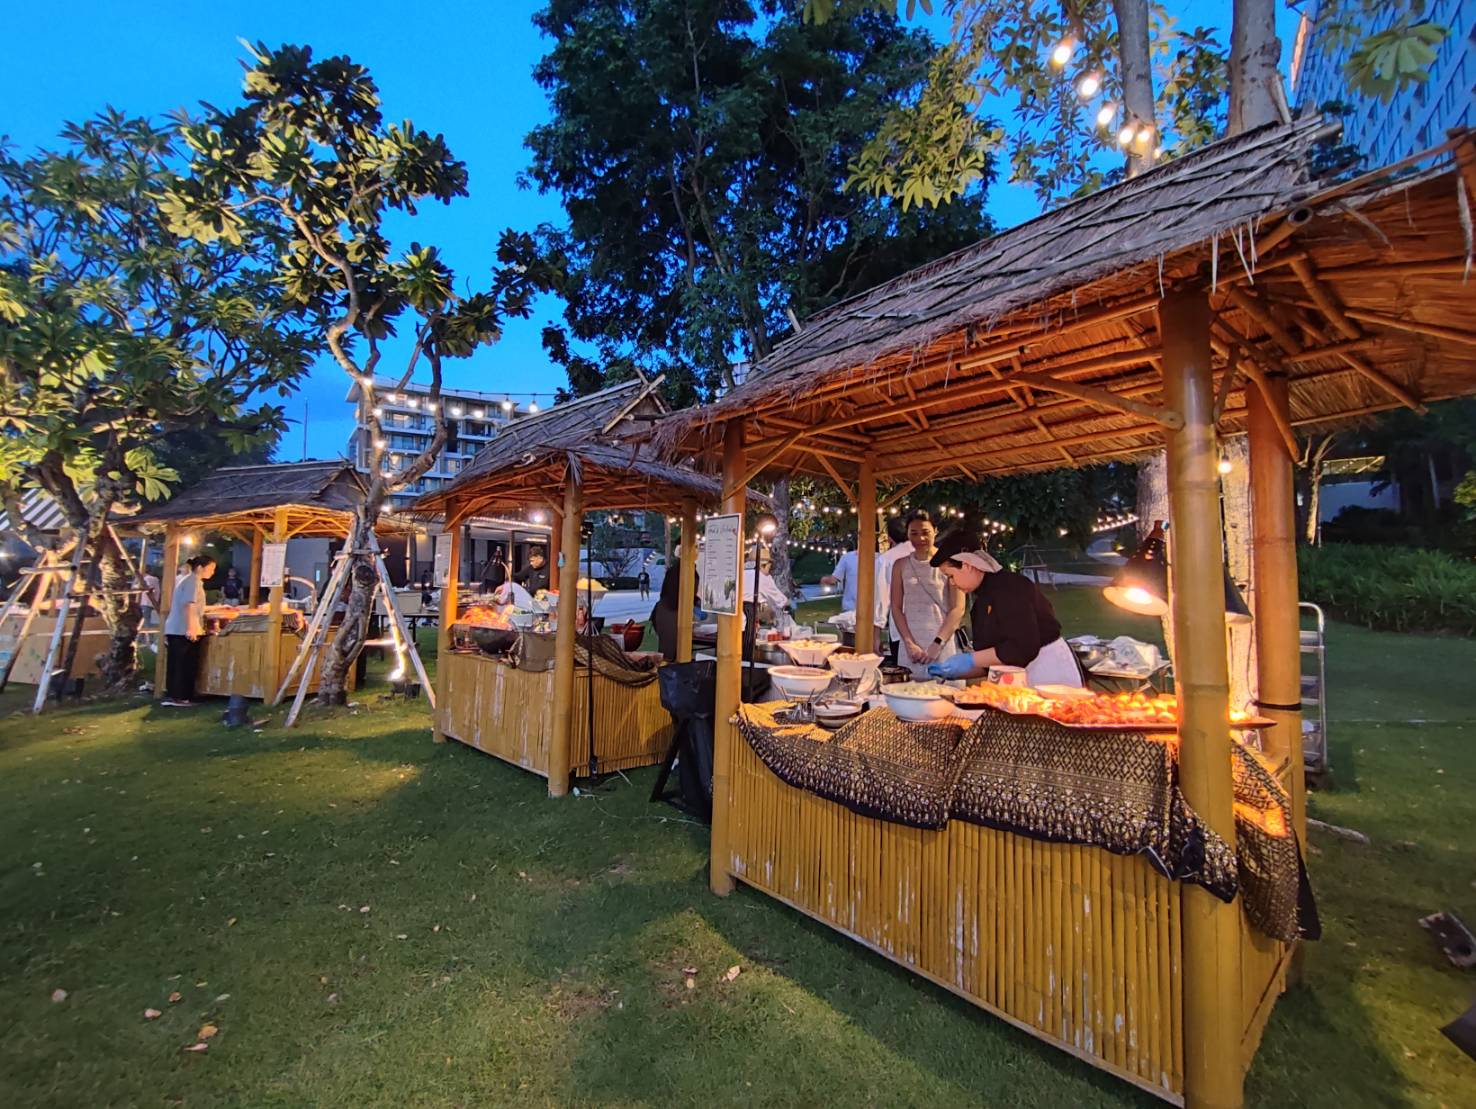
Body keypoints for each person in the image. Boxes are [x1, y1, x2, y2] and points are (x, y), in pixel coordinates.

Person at [926, 530, 1083, 687]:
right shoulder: (979, 605)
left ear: (967, 565)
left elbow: (1022, 648)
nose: (952, 583)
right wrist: (954, 671)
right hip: (1018, 677)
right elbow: (993, 660)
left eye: (951, 576)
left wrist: (970, 659)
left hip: (1050, 670)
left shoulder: (1011, 587)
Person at [890, 511, 964, 678]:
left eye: (925, 532)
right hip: (911, 644)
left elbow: (958, 608)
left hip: (942, 641)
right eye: (914, 533)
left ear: (935, 531)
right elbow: (896, 607)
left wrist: (937, 644)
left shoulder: (950, 563)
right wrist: (909, 643)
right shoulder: (900, 565)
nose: (920, 538)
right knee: (908, 690)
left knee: (943, 690)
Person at [162, 554, 215, 706]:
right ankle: (180, 696)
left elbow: (194, 605)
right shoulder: (193, 581)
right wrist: (191, 628)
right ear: (200, 568)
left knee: (180, 663)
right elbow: (188, 605)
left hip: (179, 628)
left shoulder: (192, 581)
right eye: (211, 568)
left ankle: (179, 695)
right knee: (183, 664)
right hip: (182, 629)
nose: (212, 572)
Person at [875, 515, 913, 664]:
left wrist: (876, 636)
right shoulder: (930, 555)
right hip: (933, 627)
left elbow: (881, 600)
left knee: (903, 672)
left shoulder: (886, 559)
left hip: (899, 629)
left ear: (890, 538)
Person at [651, 557, 699, 661]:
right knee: (673, 652)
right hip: (672, 611)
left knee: (668, 652)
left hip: (665, 610)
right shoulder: (685, 573)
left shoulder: (674, 571)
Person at [820, 547, 859, 612]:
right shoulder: (877, 558)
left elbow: (833, 579)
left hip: (851, 607)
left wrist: (824, 580)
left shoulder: (847, 557)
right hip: (873, 608)